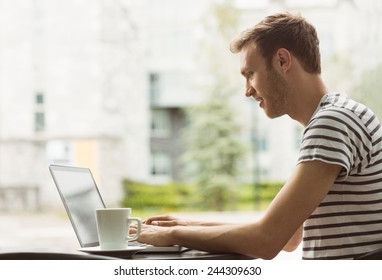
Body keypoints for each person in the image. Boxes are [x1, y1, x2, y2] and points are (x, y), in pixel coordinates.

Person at [135, 12, 382, 259]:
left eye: (250, 74)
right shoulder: (336, 116)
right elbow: (287, 236)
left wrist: (173, 235)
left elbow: (267, 241)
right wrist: (186, 226)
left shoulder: (332, 122)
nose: (247, 91)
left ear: (283, 61)